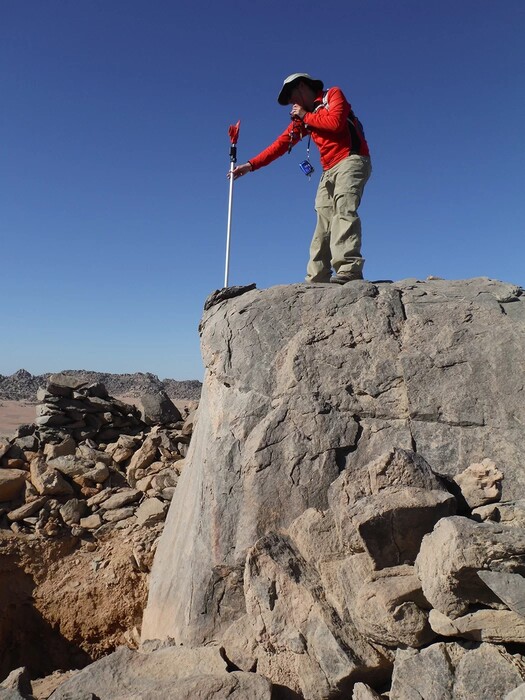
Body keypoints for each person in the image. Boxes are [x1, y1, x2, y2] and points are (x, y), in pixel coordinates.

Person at [231, 73, 372, 284]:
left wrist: (305, 115)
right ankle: (318, 276)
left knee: (344, 208)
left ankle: (349, 267)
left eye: (291, 97)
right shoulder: (304, 119)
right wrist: (251, 165)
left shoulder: (332, 95)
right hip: (328, 169)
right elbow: (279, 145)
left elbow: (336, 123)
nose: (291, 104)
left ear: (302, 86)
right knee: (323, 218)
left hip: (352, 159)